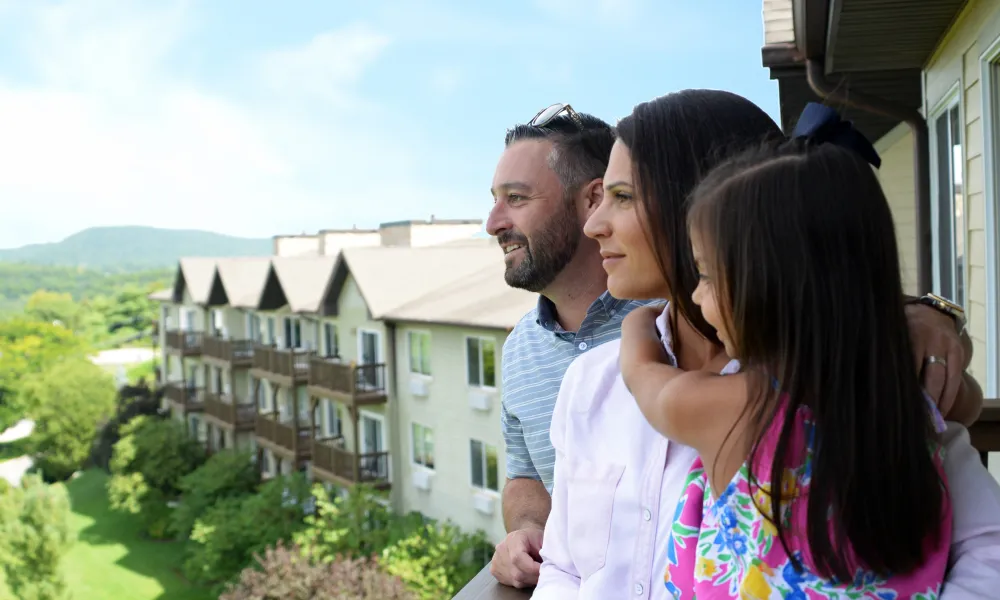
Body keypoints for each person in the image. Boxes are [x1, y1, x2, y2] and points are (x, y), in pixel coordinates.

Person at [487, 97, 982, 590]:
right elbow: (565, 570)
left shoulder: (845, 374)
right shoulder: (589, 382)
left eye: (622, 196)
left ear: (712, 205)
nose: (594, 224)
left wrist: (919, 321)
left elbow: (985, 552)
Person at [619, 104, 965, 597]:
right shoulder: (908, 398)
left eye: (707, 275)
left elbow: (642, 376)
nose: (695, 295)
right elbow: (965, 396)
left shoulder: (736, 409)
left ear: (770, 286)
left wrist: (637, 322)